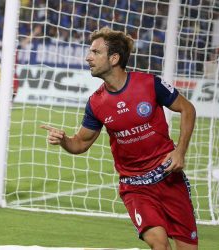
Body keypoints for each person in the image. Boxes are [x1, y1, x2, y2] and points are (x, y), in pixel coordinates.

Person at [41, 27, 198, 250]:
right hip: (135, 186)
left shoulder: (149, 84)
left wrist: (180, 151)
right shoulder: (96, 103)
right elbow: (81, 143)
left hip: (169, 177)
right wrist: (65, 140)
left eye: (95, 52)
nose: (88, 57)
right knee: (159, 244)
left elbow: (188, 109)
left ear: (114, 58)